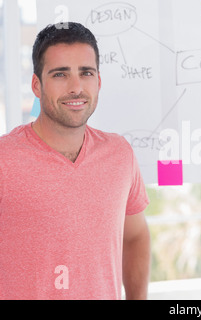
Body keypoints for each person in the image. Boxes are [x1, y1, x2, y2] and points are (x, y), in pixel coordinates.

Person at [0, 22, 151, 300]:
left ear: (99, 81)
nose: (76, 87)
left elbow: (135, 236)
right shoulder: (4, 159)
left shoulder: (119, 155)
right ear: (36, 84)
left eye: (86, 73)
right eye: (60, 74)